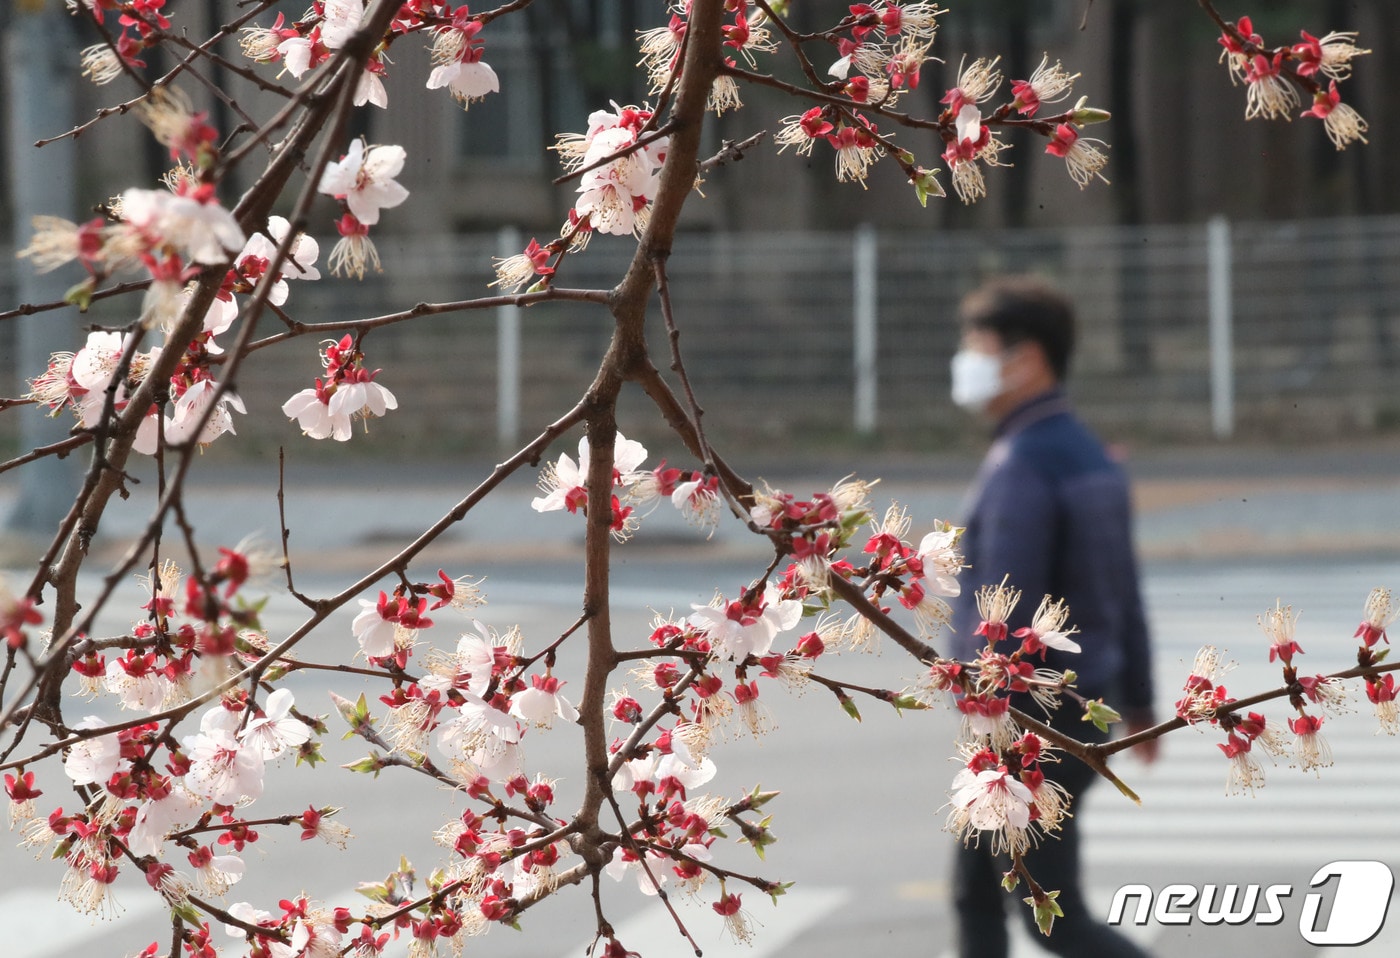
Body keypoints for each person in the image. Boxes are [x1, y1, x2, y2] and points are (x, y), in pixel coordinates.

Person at [945, 276, 1157, 958]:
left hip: (1030, 721)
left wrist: (992, 717)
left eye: (979, 346)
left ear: (1026, 358)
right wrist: (1142, 703)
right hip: (1085, 701)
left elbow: (1003, 611)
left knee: (1054, 916)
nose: (968, 362)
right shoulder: (1088, 453)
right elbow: (1124, 590)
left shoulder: (1021, 466)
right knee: (977, 891)